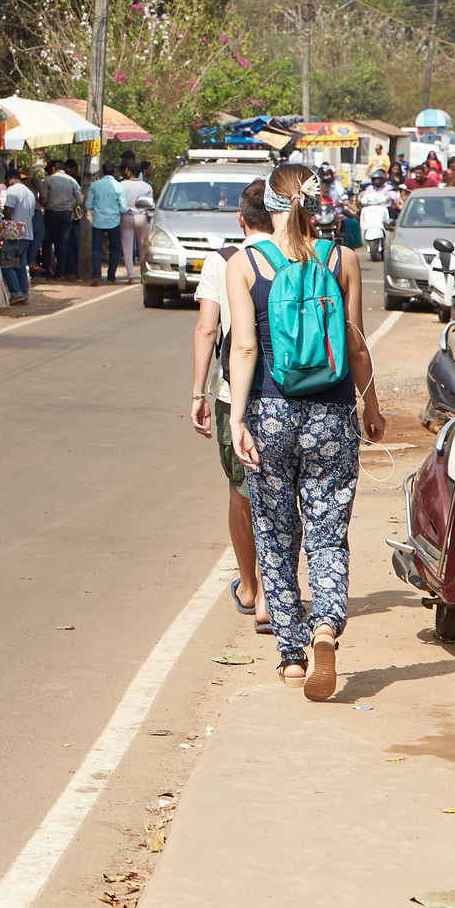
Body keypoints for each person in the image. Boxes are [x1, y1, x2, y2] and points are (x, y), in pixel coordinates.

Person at [225, 162, 385, 700]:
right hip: (332, 413)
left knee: (275, 532)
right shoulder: (342, 258)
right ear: (317, 203)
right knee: (328, 528)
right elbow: (356, 341)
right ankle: (326, 626)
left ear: (268, 204)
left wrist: (236, 417)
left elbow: (245, 348)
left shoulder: (245, 263)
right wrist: (371, 405)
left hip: (270, 411)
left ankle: (291, 656)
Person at [189, 199, 270, 636]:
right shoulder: (299, 254)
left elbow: (207, 328)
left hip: (232, 395)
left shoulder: (224, 261)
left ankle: (251, 587)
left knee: (242, 487)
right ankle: (276, 589)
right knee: (284, 487)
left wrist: (198, 392)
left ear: (241, 218)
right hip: (292, 394)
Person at [0, 167, 38, 305]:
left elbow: (9, 210)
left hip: (15, 234)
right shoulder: (29, 193)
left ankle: (16, 292)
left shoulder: (13, 191)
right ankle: (23, 294)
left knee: (6, 263)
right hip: (27, 234)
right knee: (20, 265)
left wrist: (2, 220)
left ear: (9, 179)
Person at [40, 157, 82, 283]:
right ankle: (60, 273)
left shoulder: (48, 180)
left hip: (50, 214)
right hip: (65, 214)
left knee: (47, 243)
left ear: (54, 169)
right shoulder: (72, 181)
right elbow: (79, 200)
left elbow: (44, 198)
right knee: (63, 244)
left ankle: (46, 272)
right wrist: (70, 205)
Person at [85, 164, 127, 284]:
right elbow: (124, 208)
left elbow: (89, 205)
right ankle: (111, 278)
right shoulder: (119, 186)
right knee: (114, 249)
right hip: (114, 221)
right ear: (114, 171)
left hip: (98, 221)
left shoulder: (95, 185)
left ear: (102, 172)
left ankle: (96, 275)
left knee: (96, 249)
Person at [117, 161, 157, 281]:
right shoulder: (146, 187)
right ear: (140, 173)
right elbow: (150, 206)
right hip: (142, 217)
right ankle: (143, 274)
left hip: (126, 217)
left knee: (127, 248)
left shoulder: (122, 185)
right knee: (143, 248)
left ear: (128, 172)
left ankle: (131, 276)